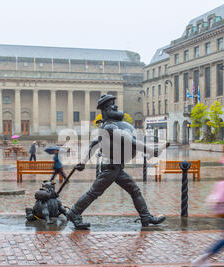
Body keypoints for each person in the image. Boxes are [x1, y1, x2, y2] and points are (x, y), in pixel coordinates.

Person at [65, 94, 168, 230]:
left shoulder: (108, 126)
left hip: (116, 167)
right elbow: (129, 141)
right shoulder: (110, 127)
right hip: (111, 168)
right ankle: (74, 213)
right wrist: (151, 150)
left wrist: (83, 162)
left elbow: (94, 144)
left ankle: (145, 217)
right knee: (94, 193)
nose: (116, 107)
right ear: (106, 110)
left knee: (134, 190)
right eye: (112, 106)